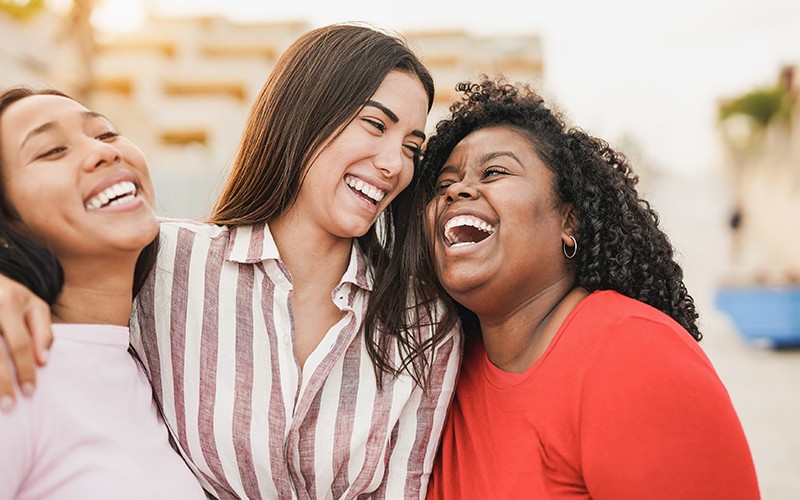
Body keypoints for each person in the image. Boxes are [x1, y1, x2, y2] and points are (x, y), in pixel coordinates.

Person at [0, 24, 461, 499]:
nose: (393, 164)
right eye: (375, 124)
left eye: (411, 147)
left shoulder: (423, 322)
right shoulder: (166, 262)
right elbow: (74, 285)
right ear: (307, 113)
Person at [419, 77, 760, 499]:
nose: (459, 189)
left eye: (495, 172)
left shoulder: (635, 356)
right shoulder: (440, 367)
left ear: (569, 221)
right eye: (442, 185)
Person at [0, 87, 206, 498]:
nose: (104, 153)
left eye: (106, 134)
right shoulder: (14, 365)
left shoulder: (147, 363)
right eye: (52, 150)